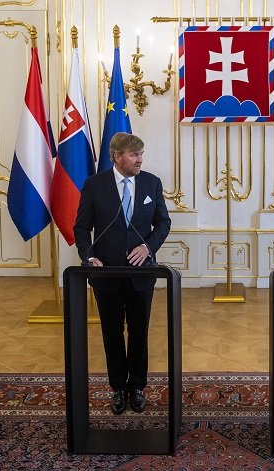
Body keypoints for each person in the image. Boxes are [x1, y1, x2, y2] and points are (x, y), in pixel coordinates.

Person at [74, 132, 171, 415]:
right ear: (117, 157)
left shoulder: (151, 182)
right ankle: (118, 387)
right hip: (107, 274)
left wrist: (147, 248)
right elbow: (82, 227)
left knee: (139, 332)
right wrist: (88, 256)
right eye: (134, 154)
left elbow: (163, 223)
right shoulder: (94, 185)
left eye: (141, 154)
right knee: (112, 332)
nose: (140, 159)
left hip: (141, 274)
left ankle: (138, 386)